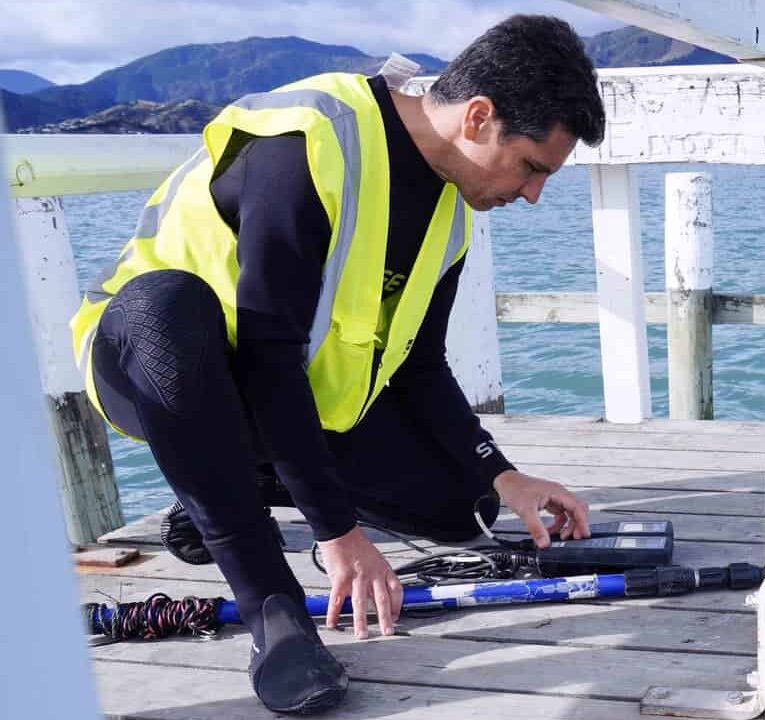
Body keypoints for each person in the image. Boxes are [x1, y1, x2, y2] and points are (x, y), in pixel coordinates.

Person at [70, 14, 605, 714]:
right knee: (166, 306)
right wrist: (338, 535)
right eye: (533, 167)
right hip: (151, 363)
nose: (532, 194)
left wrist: (503, 475)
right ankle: (272, 610)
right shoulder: (309, 139)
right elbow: (266, 352)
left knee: (459, 508)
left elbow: (417, 365)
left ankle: (227, 489)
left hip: (280, 399)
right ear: (479, 117)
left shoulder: (450, 216)